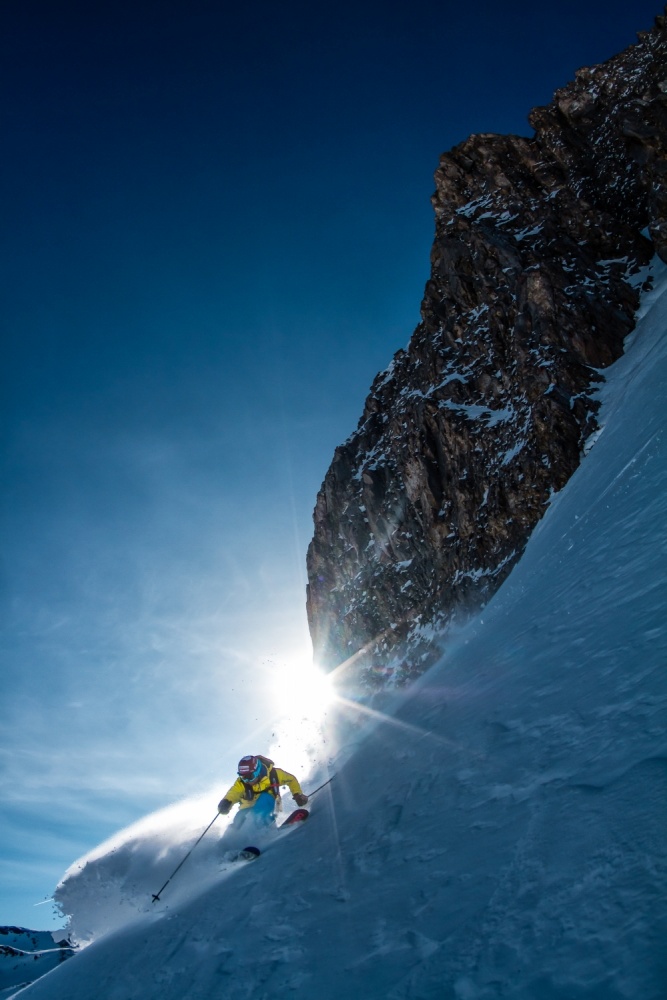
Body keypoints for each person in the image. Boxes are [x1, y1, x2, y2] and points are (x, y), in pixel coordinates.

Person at [218, 754, 308, 830]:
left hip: (271, 806)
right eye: (243, 777)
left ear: (257, 771)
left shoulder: (274, 774)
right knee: (240, 818)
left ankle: (261, 832)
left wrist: (297, 794)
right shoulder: (241, 783)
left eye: (250, 776)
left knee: (264, 799)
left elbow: (291, 779)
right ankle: (232, 842)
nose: (247, 781)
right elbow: (233, 793)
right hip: (247, 809)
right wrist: (225, 803)